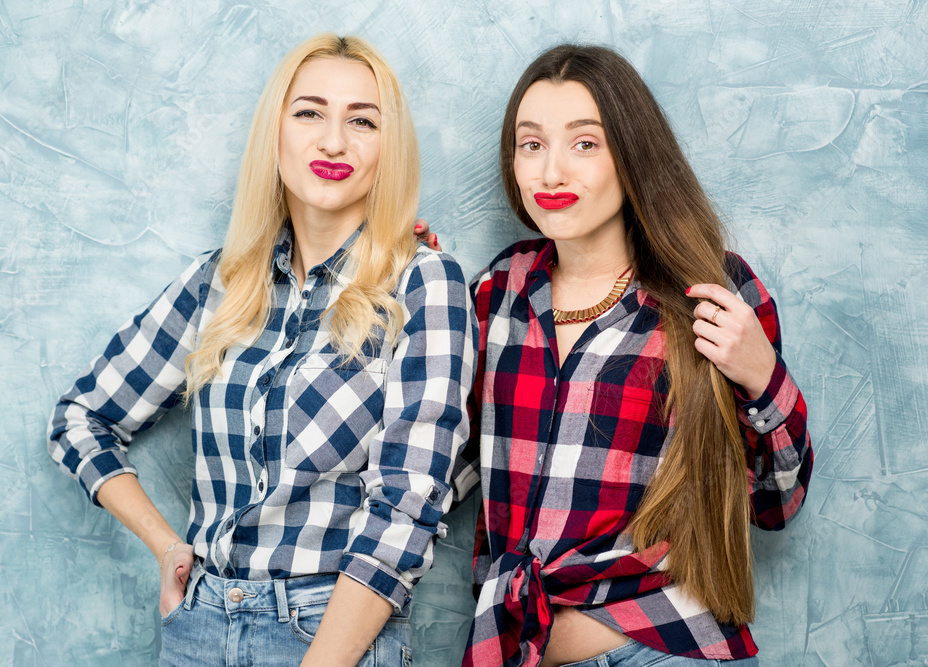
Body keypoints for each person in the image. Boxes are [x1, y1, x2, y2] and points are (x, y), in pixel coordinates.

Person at [47, 33, 475, 667]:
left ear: (390, 148)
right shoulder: (217, 283)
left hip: (331, 634)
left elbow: (408, 507)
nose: (334, 141)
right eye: (309, 113)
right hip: (197, 627)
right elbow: (79, 420)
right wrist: (167, 546)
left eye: (362, 121)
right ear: (274, 133)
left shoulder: (424, 284)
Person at [445, 44, 813, 667]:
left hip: (665, 652)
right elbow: (445, 476)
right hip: (518, 650)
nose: (551, 173)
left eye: (584, 144)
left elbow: (777, 505)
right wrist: (410, 301)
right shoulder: (496, 291)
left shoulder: (711, 290)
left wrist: (761, 376)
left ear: (631, 155)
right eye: (531, 144)